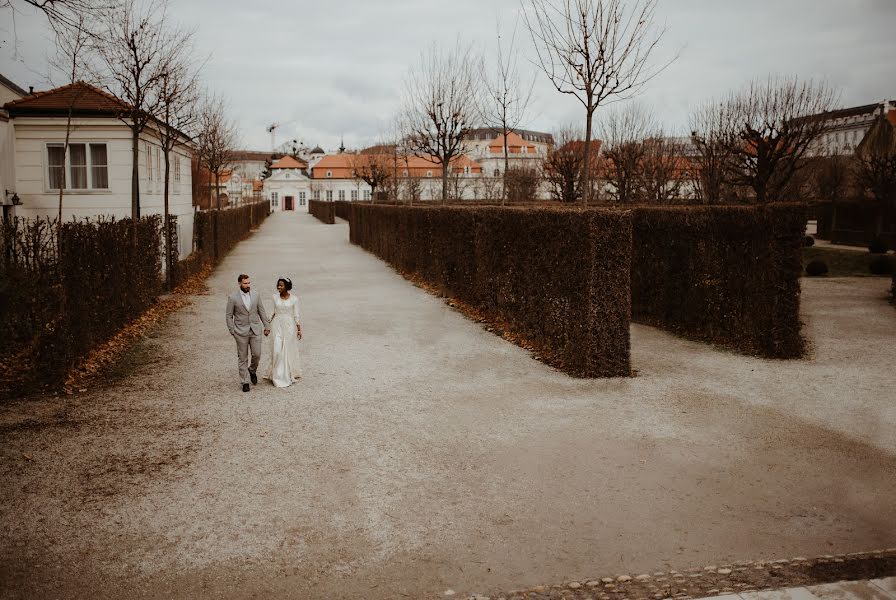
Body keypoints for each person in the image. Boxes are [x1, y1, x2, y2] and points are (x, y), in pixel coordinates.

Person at [225, 274, 270, 392]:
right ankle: (244, 381)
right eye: (245, 283)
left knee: (257, 354)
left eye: (249, 283)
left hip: (255, 329)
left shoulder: (256, 295)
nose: (248, 285)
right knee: (242, 357)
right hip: (240, 332)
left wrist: (267, 326)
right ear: (240, 283)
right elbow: (229, 315)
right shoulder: (232, 297)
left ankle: (252, 370)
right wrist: (232, 330)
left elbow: (262, 311)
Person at [263, 277, 303, 388]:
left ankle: (286, 374)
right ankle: (276, 374)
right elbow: (272, 312)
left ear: (287, 286)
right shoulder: (274, 298)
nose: (278, 287)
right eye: (278, 285)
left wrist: (299, 329)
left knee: (285, 350)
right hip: (277, 326)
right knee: (276, 349)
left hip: (289, 327)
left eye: (281, 285)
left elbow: (296, 315)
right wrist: (267, 326)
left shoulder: (294, 299)